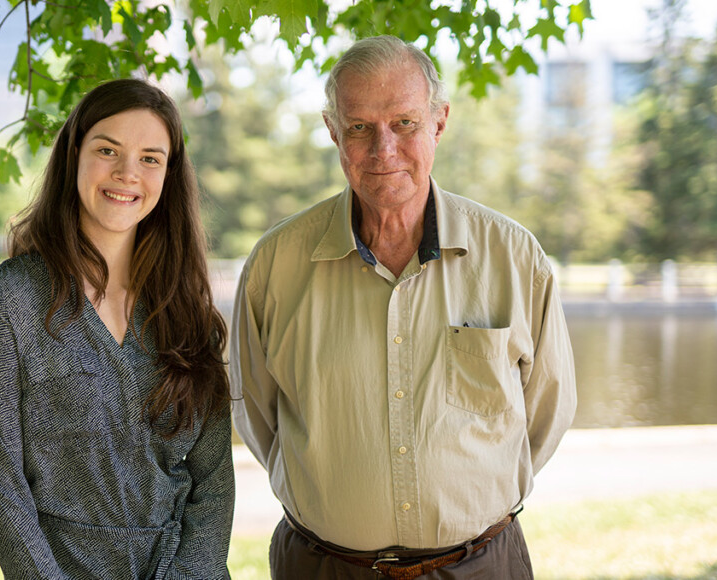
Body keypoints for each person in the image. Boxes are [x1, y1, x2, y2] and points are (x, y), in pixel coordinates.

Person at [230, 35, 576, 579]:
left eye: (404, 124)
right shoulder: (275, 266)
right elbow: (257, 414)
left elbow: (546, 412)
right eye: (360, 127)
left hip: (481, 566)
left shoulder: (514, 257)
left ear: (438, 122)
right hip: (322, 567)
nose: (382, 149)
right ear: (333, 132)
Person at [0, 78, 233, 579]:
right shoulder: (13, 298)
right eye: (108, 150)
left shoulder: (185, 311)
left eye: (149, 158)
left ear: (169, 174)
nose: (126, 173)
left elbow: (214, 481)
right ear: (75, 154)